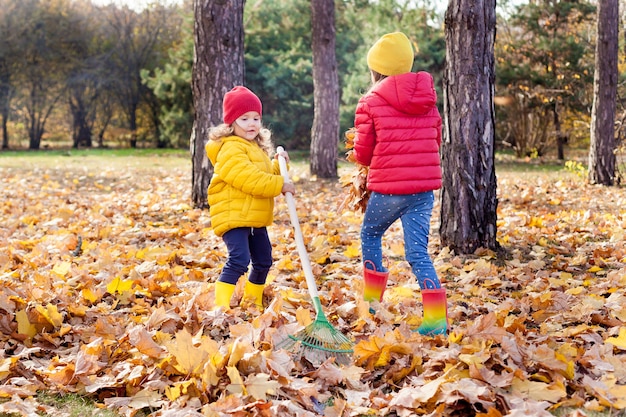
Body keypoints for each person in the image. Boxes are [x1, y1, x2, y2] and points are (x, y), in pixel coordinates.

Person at [351, 32, 448, 335]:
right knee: (417, 252)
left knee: (370, 235)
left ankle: (371, 305)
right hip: (422, 192)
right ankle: (435, 319)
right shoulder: (428, 100)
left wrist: (359, 162)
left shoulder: (370, 101)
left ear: (376, 69)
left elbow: (363, 150)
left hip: (389, 189)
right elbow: (435, 140)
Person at [205, 86, 295, 311]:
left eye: (256, 118)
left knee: (264, 261)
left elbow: (264, 176)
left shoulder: (255, 148)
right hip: (233, 215)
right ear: (231, 123)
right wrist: (279, 185)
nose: (251, 123)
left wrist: (279, 165)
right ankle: (220, 308)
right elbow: (249, 179)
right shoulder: (229, 149)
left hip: (254, 217)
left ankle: (252, 303)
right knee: (239, 260)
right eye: (244, 118)